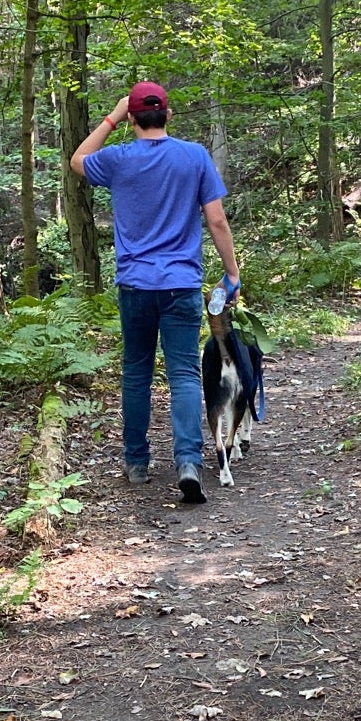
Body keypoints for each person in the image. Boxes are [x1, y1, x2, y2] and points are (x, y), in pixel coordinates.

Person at [71, 80, 240, 503]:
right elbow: (217, 221)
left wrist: (111, 117)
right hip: (181, 283)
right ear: (168, 114)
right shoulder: (194, 156)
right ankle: (187, 462)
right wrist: (231, 273)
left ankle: (136, 462)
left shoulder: (117, 160)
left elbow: (78, 160)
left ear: (132, 117)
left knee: (137, 372)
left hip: (134, 284)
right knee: (183, 373)